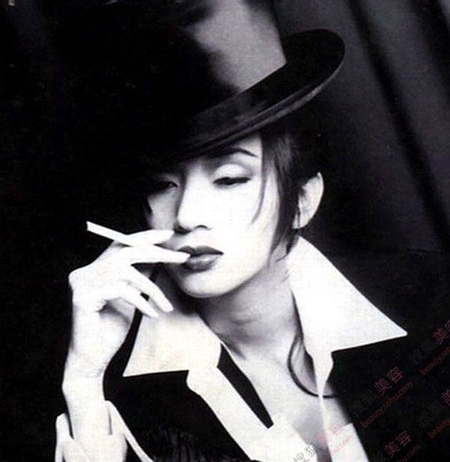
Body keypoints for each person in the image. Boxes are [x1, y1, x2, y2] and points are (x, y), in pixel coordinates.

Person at [55, 1, 450, 461]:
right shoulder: (118, 382)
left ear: (303, 201)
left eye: (229, 179)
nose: (186, 216)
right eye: (162, 185)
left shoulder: (428, 299)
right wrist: (83, 380)